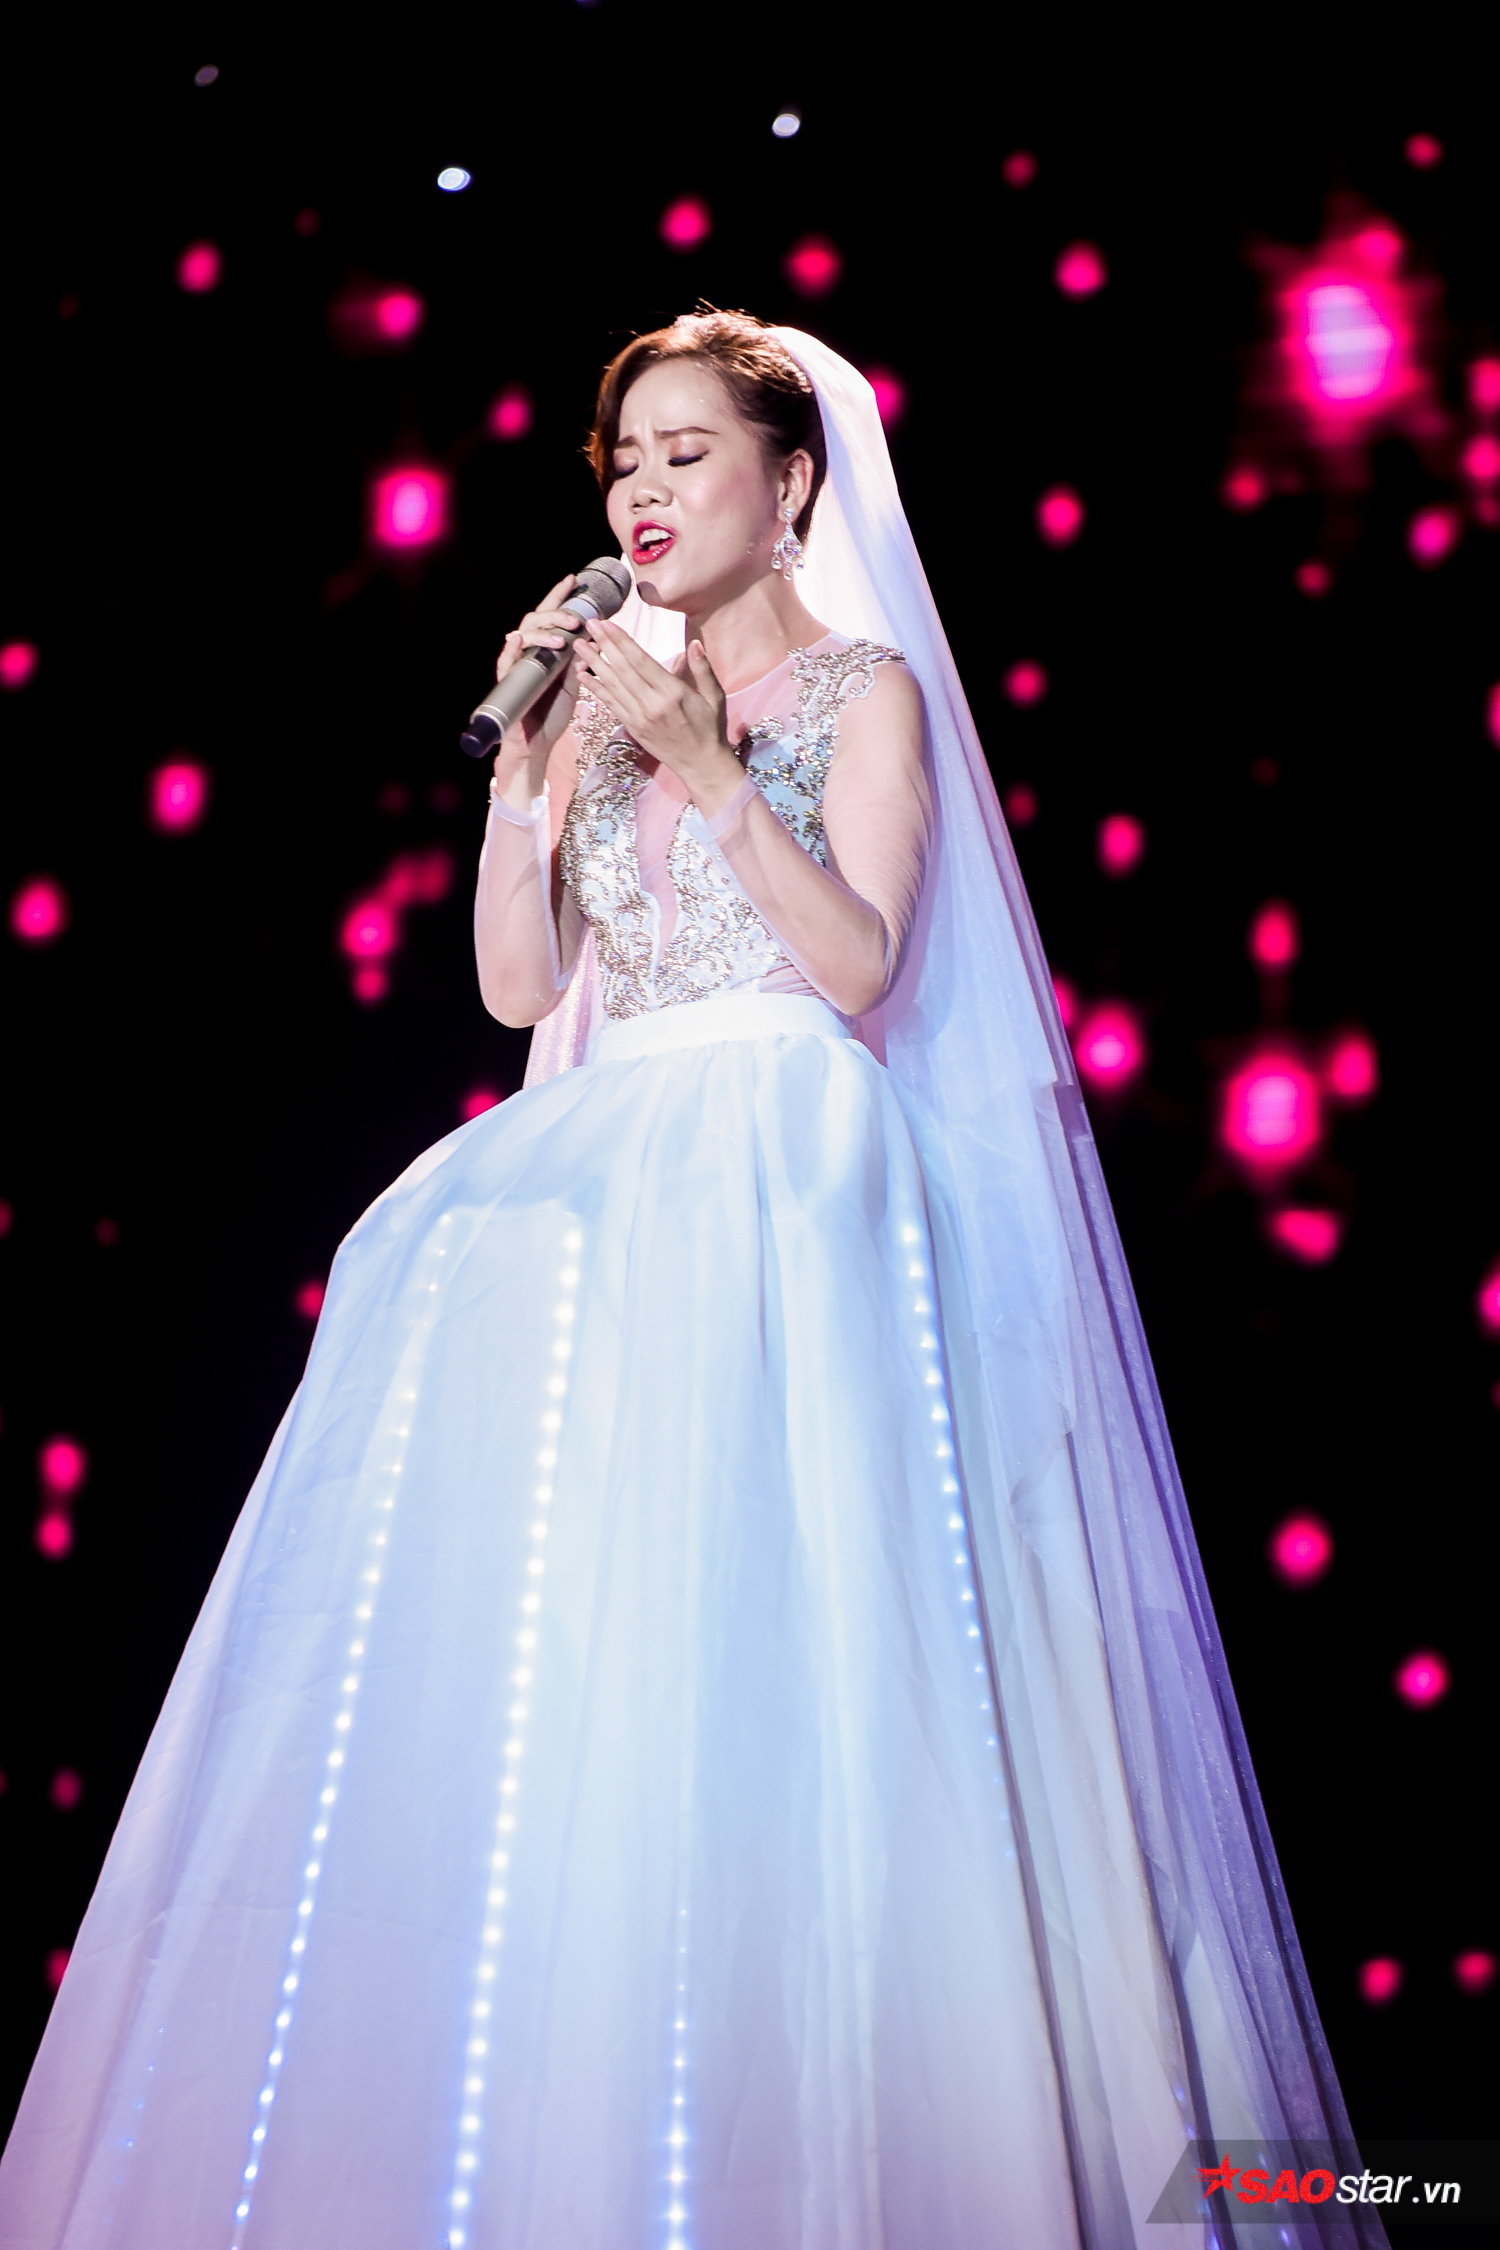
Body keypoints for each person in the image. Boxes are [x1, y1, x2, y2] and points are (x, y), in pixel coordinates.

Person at [0, 316, 1384, 2250]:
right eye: (625, 463)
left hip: (784, 1164)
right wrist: (530, 774)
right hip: (611, 1171)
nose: (645, 492)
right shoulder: (595, 704)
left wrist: (714, 767)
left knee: (807, 1642)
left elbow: (860, 965)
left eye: (686, 452)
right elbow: (518, 987)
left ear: (789, 481)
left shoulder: (865, 693)